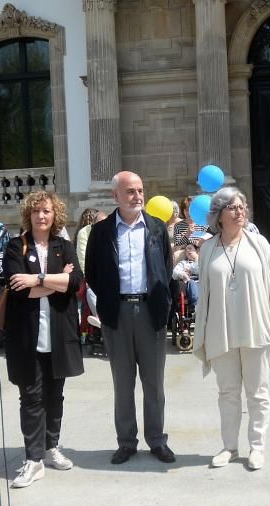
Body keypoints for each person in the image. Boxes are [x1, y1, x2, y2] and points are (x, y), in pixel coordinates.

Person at [85, 170, 176, 465]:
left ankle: (157, 440)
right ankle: (126, 442)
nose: (137, 196)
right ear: (116, 196)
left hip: (150, 312)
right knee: (123, 384)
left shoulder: (157, 228)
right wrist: (110, 302)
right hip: (118, 314)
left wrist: (165, 306)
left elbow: (165, 268)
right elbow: (93, 273)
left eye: (140, 190)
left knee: (154, 384)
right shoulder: (101, 232)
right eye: (130, 191)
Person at [192, 187, 270, 470]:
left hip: (255, 326)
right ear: (219, 215)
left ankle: (257, 447)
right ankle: (229, 446)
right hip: (221, 329)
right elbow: (203, 292)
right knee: (228, 392)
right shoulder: (207, 249)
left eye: (242, 206)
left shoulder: (260, 243)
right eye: (232, 207)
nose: (239, 211)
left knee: (258, 391)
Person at [3, 190, 84, 488]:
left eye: (47, 211)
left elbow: (74, 282)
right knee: (32, 396)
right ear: (29, 215)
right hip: (27, 334)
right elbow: (17, 287)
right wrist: (55, 280)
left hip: (59, 332)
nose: (41, 216)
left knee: (55, 394)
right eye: (36, 211)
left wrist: (36, 279)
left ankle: (51, 447)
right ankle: (33, 459)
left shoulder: (64, 245)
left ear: (55, 215)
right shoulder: (16, 247)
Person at [171, 242, 200, 308]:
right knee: (192, 283)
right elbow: (174, 273)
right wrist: (183, 275)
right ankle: (196, 307)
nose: (188, 251)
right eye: (186, 250)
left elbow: (205, 270)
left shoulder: (203, 261)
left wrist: (191, 269)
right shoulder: (183, 263)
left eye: (190, 248)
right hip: (190, 282)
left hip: (203, 281)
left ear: (197, 250)